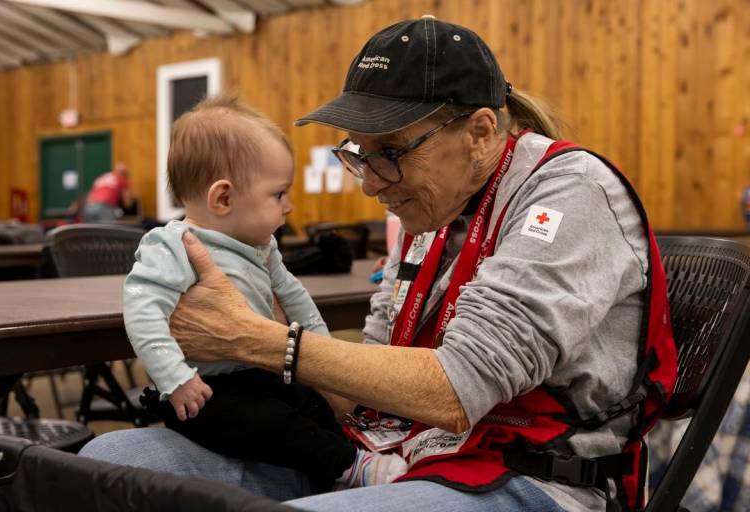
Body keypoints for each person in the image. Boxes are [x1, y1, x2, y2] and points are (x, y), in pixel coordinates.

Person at [80, 16, 677, 512]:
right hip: (397, 449)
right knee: (106, 468)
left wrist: (255, 339)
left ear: (481, 131)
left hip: (530, 477)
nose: (370, 185)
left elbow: (455, 390)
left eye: (389, 154)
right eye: (358, 156)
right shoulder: (433, 208)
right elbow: (362, 384)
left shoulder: (568, 193)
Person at [122, 95, 407, 492]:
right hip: (204, 392)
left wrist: (323, 353)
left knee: (310, 401)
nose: (289, 206)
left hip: (258, 369)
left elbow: (294, 297)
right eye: (278, 195)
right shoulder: (171, 245)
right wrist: (175, 377)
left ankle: (340, 464)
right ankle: (348, 467)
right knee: (269, 422)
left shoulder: (262, 246)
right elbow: (142, 310)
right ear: (223, 198)